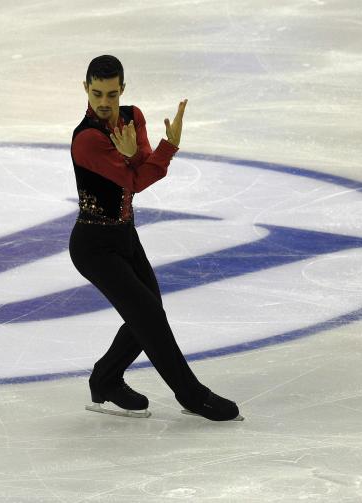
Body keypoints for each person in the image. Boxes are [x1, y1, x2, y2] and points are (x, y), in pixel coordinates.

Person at [69, 55, 243, 422]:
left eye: (111, 94)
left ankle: (106, 378)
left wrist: (143, 155)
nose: (104, 102)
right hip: (93, 246)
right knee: (148, 316)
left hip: (125, 236)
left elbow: (144, 167)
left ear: (122, 91)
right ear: (86, 88)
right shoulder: (86, 139)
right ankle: (192, 395)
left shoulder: (133, 117)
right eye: (97, 93)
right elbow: (135, 180)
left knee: (147, 315)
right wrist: (168, 148)